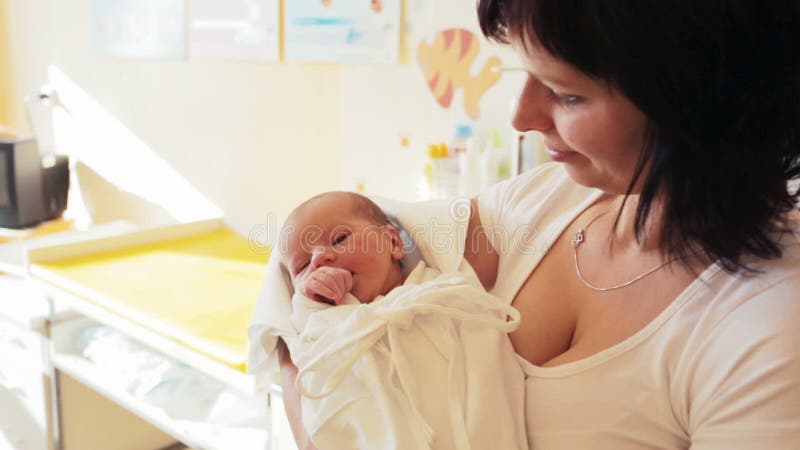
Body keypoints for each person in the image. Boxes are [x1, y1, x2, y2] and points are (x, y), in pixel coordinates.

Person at [270, 1, 800, 448]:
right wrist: (314, 369)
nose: (521, 116)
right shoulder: (550, 197)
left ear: (694, 101)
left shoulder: (766, 337)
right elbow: (293, 265)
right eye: (527, 76)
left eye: (567, 94)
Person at [277, 191, 528, 450]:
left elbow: (487, 369)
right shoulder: (328, 326)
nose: (319, 259)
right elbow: (307, 352)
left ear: (393, 242)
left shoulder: (440, 292)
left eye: (340, 239)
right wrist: (310, 302)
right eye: (303, 266)